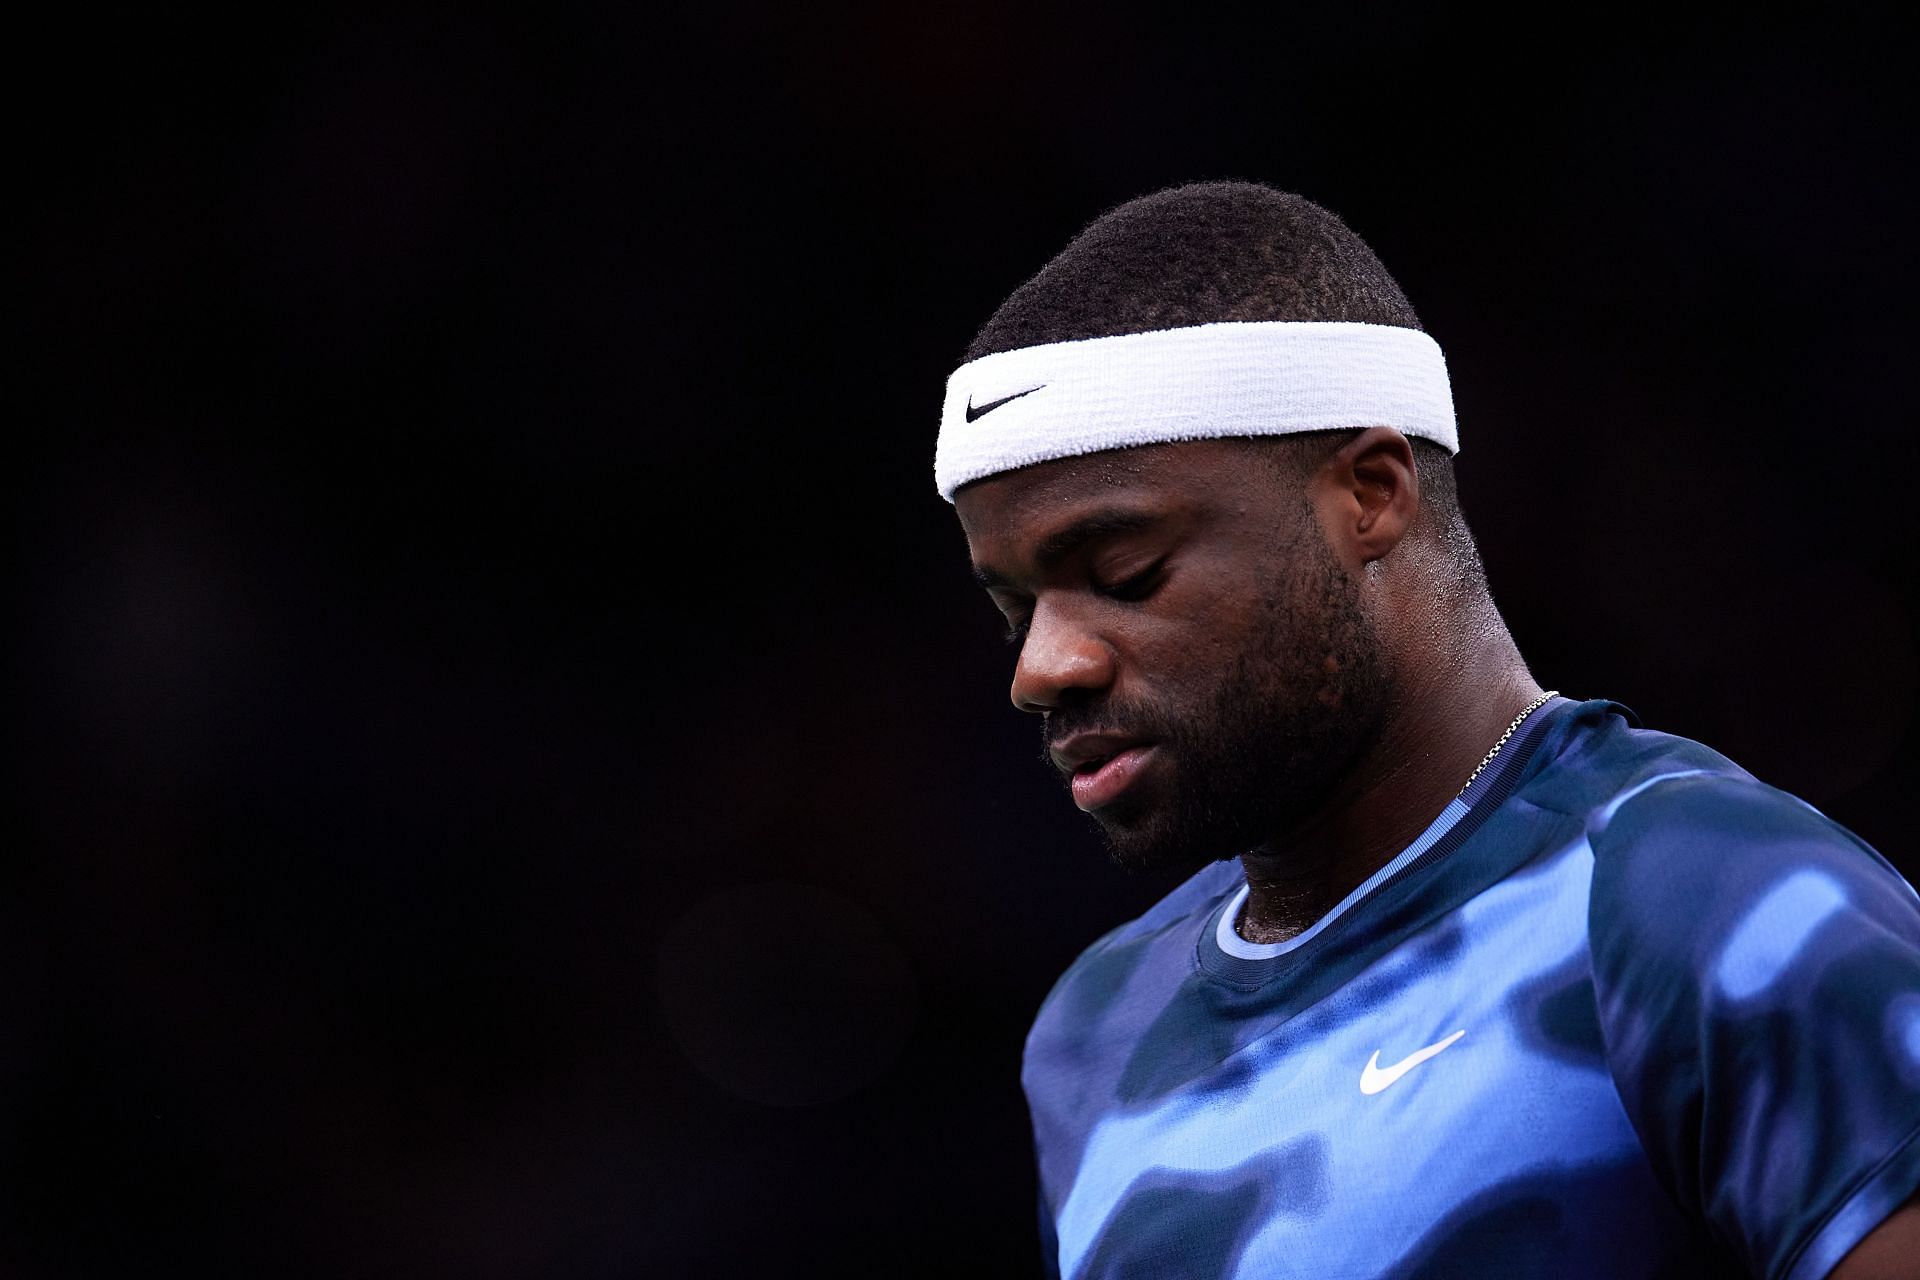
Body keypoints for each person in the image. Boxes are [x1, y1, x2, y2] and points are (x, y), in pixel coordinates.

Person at [935, 182, 1920, 1279]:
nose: (1041, 667)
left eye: (1123, 570)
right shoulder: (1096, 1031)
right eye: (1013, 608)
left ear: (1370, 491)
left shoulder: (1697, 897)